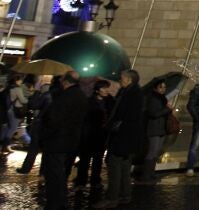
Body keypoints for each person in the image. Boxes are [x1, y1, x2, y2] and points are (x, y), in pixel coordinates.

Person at [95, 70, 145, 208]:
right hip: (128, 139)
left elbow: (120, 116)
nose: (119, 80)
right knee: (124, 167)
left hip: (121, 137)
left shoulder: (129, 95)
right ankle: (125, 195)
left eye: (122, 78)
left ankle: (112, 197)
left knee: (115, 167)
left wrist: (109, 126)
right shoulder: (133, 93)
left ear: (129, 80)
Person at [39, 71, 87, 210]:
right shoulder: (81, 95)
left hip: (57, 140)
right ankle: (60, 201)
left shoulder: (65, 97)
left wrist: (44, 135)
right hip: (70, 140)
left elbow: (53, 120)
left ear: (65, 81)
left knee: (54, 174)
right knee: (59, 172)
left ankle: (55, 203)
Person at [73, 79, 112, 190]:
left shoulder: (109, 102)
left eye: (107, 88)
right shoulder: (89, 102)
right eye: (103, 88)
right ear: (97, 90)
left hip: (101, 136)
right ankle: (81, 181)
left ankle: (95, 181)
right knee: (85, 160)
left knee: (98, 160)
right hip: (89, 135)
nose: (106, 90)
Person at [140, 77, 171, 184]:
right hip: (154, 129)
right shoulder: (153, 99)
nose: (163, 89)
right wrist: (167, 109)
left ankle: (151, 173)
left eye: (164, 87)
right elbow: (154, 113)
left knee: (156, 152)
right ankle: (146, 175)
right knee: (152, 151)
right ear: (155, 88)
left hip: (161, 128)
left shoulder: (162, 98)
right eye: (160, 87)